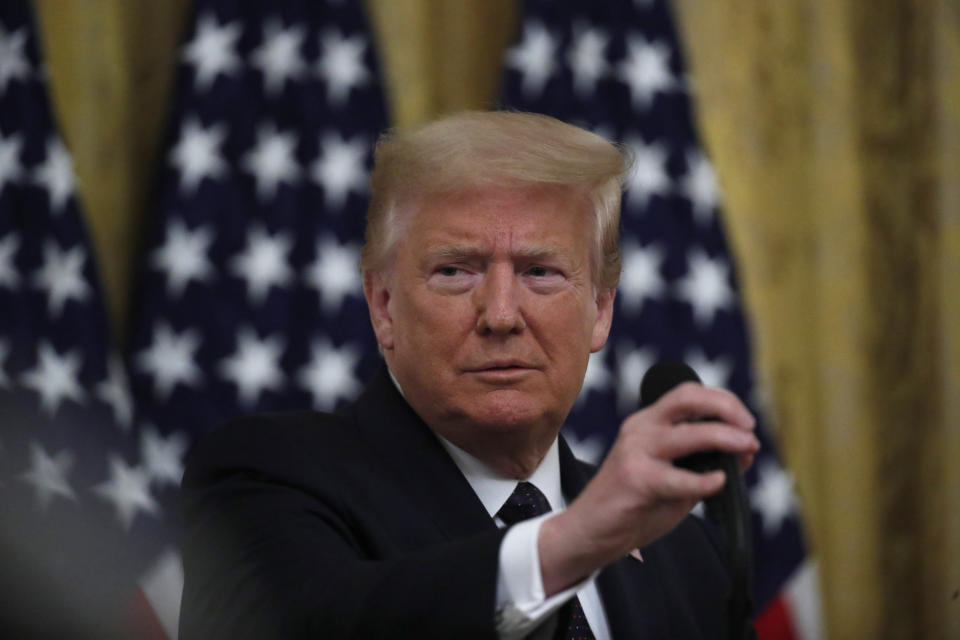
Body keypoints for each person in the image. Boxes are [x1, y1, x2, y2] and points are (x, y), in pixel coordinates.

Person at [178, 111, 760, 639]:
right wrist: (569, 544)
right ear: (383, 305)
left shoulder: (688, 557)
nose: (501, 315)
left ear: (601, 310)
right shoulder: (264, 478)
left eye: (541, 271)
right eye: (455, 271)